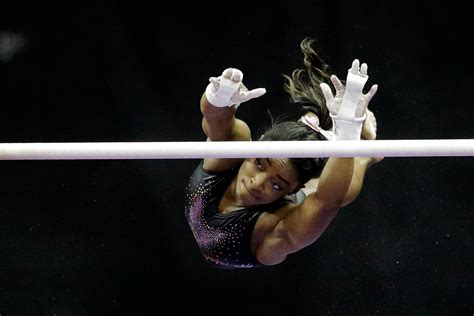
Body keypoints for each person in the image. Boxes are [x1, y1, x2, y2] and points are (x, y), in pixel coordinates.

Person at [184, 37, 382, 269]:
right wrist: (218, 97)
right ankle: (317, 131)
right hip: (280, 169)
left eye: (276, 185)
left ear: (292, 189)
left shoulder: (271, 229)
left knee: (338, 192)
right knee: (322, 176)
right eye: (259, 163)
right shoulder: (233, 151)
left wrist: (349, 134)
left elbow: (326, 203)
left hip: (292, 202)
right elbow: (214, 120)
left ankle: (363, 146)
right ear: (256, 146)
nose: (257, 184)